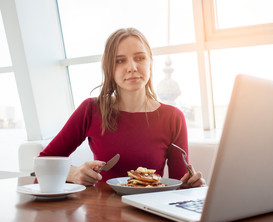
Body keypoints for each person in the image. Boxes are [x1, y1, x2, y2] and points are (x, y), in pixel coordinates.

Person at [39, 27, 206, 188]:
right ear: (109, 69)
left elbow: (178, 183)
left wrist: (190, 186)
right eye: (120, 61)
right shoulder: (91, 110)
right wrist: (72, 173)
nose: (132, 67)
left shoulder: (173, 117)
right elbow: (43, 162)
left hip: (151, 211)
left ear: (150, 62)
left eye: (140, 58)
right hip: (102, 212)